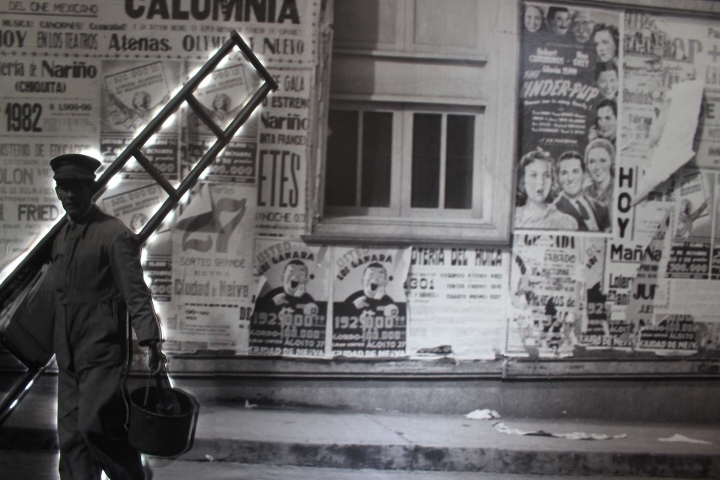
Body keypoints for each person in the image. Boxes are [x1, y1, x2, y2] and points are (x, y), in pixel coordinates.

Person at [48, 154, 163, 480]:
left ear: (91, 189)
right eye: (63, 188)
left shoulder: (114, 235)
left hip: (100, 347)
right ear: (58, 191)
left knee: (95, 424)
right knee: (71, 435)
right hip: (67, 350)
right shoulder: (61, 238)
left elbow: (135, 291)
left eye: (77, 188)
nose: (70, 196)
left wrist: (151, 339)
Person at [514, 148, 578, 230]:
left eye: (546, 175)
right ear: (523, 181)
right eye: (533, 175)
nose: (541, 182)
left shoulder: (565, 222)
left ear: (552, 180)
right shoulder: (514, 217)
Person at [554, 151, 610, 232]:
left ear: (584, 175)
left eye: (575, 171)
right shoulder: (554, 210)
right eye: (564, 173)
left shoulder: (601, 208)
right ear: (558, 178)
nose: (570, 178)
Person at [584, 138, 615, 207]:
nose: (597, 167)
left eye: (602, 160)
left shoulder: (618, 189)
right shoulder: (583, 192)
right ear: (587, 165)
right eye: (592, 161)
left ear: (611, 161)